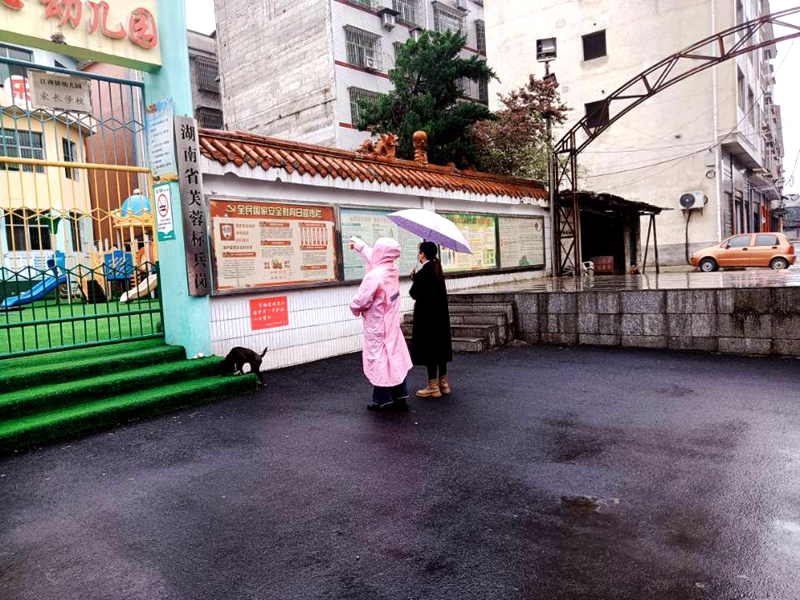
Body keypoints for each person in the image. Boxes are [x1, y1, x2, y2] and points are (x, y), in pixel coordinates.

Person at [350, 238, 413, 411]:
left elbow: (361, 299)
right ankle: (401, 394)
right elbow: (375, 257)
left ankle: (381, 398)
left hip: (377, 325)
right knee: (394, 357)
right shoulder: (392, 269)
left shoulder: (374, 275)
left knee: (378, 360)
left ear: (380, 252)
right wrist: (359, 246)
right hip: (391, 322)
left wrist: (354, 308)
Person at [409, 241, 453, 398]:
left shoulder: (424, 272)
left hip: (427, 319)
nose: (418, 254)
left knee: (430, 350)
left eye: (419, 251)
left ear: (423, 254)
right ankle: (444, 383)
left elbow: (414, 293)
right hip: (440, 318)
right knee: (440, 349)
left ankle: (433, 386)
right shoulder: (437, 270)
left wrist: (414, 277)